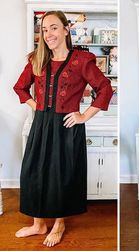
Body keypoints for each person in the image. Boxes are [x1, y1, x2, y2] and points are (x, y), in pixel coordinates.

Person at [13, 11, 113, 247]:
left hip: (66, 126)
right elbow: (20, 88)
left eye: (54, 28)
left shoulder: (81, 60)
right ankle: (38, 224)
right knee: (33, 172)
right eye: (44, 29)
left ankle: (59, 223)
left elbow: (105, 88)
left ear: (66, 29)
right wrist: (36, 105)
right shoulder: (37, 60)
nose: (48, 34)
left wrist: (83, 116)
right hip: (41, 123)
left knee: (61, 175)